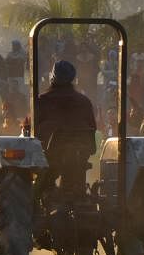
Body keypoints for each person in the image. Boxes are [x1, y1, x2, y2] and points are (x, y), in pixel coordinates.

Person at [35, 60, 97, 196]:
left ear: (52, 77)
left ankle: (42, 191)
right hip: (80, 154)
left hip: (50, 157)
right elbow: (93, 127)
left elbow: (34, 131)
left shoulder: (42, 101)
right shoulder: (84, 102)